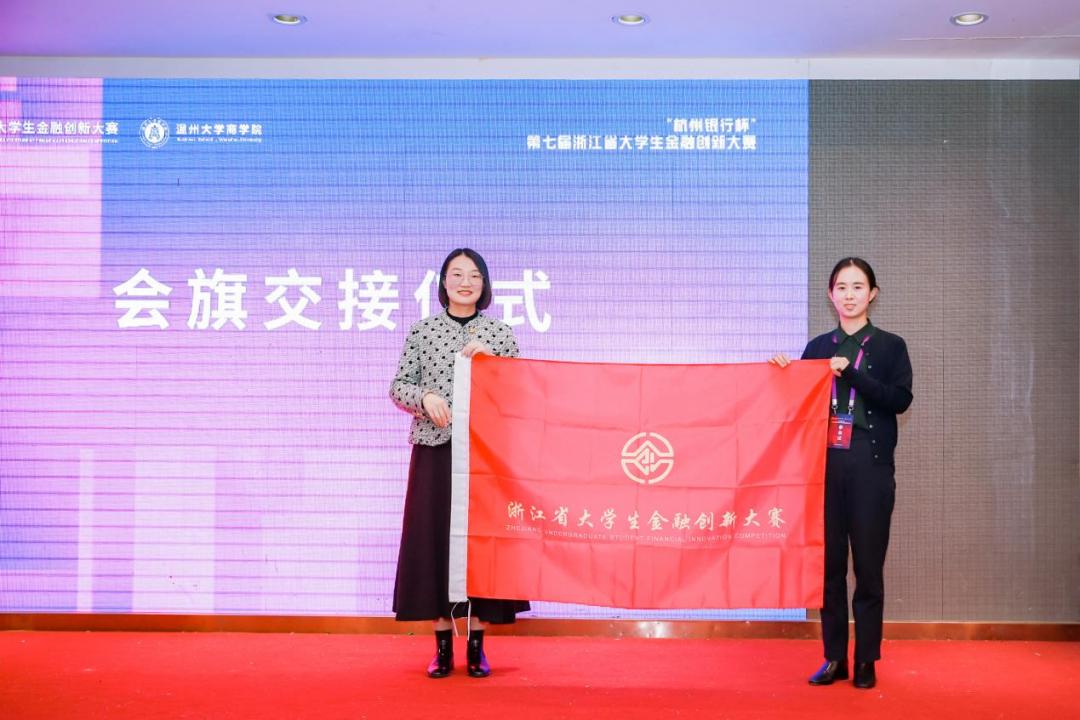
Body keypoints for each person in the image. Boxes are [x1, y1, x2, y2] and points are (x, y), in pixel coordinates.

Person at [769, 257, 912, 690]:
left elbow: (899, 400)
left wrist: (851, 373)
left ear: (873, 294)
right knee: (828, 568)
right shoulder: (817, 347)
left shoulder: (890, 346)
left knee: (868, 568)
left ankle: (866, 659)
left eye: (858, 287)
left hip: (870, 465)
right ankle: (834, 658)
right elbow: (794, 408)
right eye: (841, 288)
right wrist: (782, 376)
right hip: (824, 466)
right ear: (830, 295)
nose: (849, 295)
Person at [389, 248, 530, 678]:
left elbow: (519, 390)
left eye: (474, 275)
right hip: (435, 450)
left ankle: (478, 646)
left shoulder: (499, 334)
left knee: (482, 545)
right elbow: (398, 386)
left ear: (484, 284)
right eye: (456, 274)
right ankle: (442, 647)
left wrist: (491, 364)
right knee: (434, 541)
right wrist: (424, 397)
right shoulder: (422, 331)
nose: (465, 282)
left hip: (485, 453)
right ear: (444, 282)